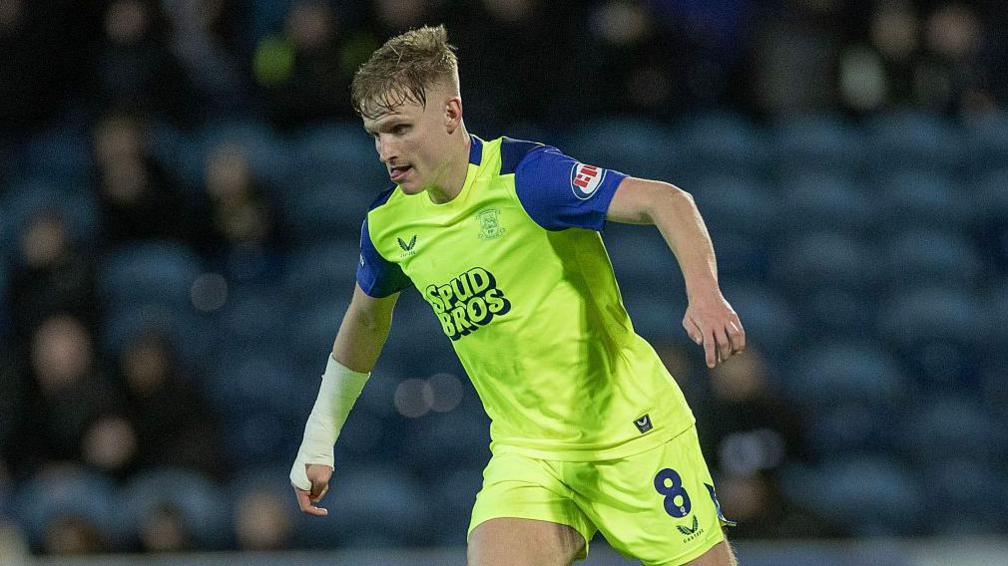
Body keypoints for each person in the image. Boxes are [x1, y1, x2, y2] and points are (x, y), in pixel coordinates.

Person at [290, 25, 745, 566]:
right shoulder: (388, 226)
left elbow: (665, 200)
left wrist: (704, 293)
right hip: (528, 452)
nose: (386, 150)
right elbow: (365, 321)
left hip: (631, 433)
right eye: (376, 135)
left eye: (400, 129)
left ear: (451, 113)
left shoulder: (528, 179)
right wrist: (320, 437)